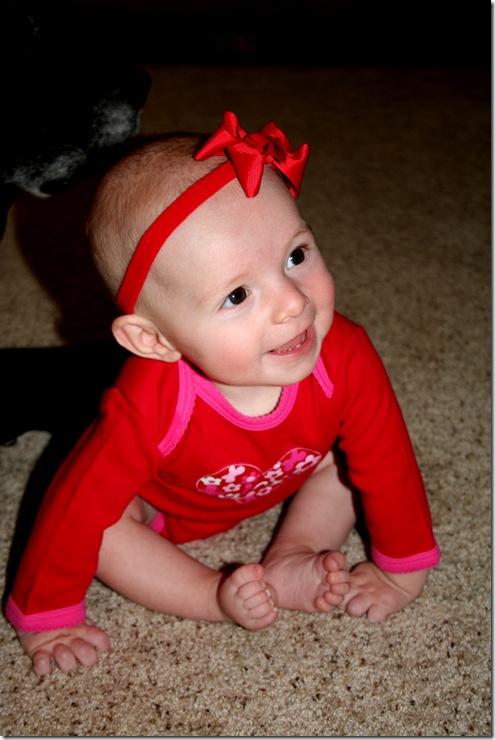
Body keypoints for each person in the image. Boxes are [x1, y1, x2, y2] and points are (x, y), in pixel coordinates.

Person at [6, 112, 440, 676]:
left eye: (296, 256)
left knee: (346, 467)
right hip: (166, 506)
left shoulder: (346, 354)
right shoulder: (149, 402)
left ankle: (291, 554)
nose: (293, 303)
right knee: (105, 530)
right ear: (153, 340)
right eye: (237, 295)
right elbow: (76, 505)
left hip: (295, 470)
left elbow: (388, 459)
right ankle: (212, 596)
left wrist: (402, 568)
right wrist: (45, 613)